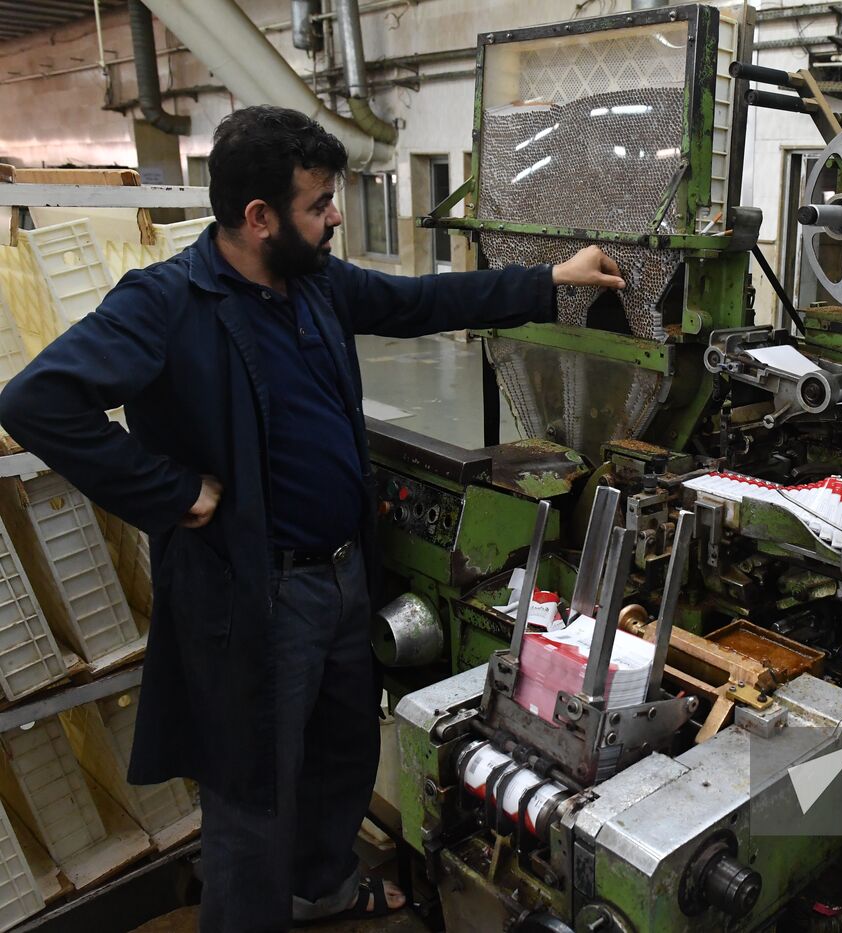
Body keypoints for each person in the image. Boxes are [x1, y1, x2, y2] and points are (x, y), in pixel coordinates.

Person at [0, 105, 624, 930]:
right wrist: (171, 491)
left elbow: (419, 302)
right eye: (320, 203)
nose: (336, 217)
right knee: (254, 793)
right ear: (258, 218)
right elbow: (36, 400)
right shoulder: (166, 304)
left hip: (340, 575)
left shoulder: (316, 283)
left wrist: (548, 280)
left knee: (340, 755)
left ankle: (324, 888)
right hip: (254, 595)